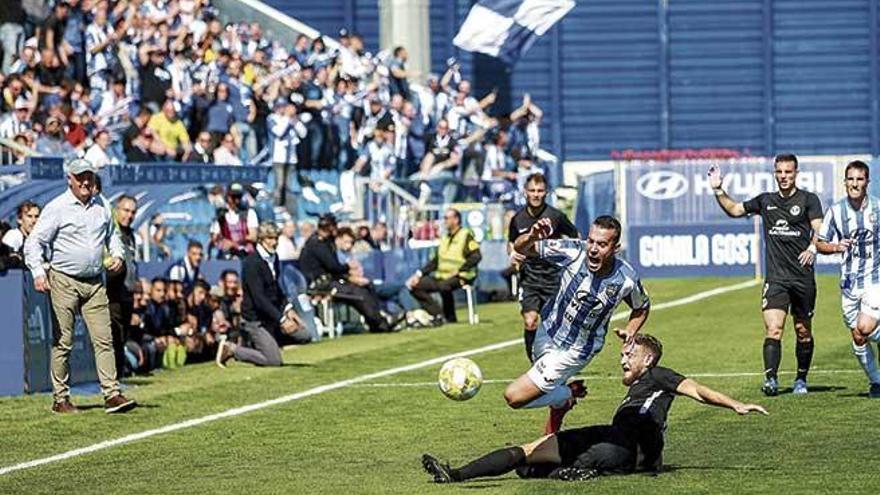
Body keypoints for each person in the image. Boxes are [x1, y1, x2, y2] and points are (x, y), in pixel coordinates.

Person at [422, 334, 768, 483]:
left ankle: (574, 471)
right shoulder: (638, 389)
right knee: (527, 461)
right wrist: (560, 408)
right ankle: (455, 475)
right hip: (613, 439)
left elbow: (698, 391)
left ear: (647, 360)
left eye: (629, 354)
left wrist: (735, 404)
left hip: (629, 447)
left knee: (552, 461)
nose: (622, 358)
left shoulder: (659, 374)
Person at [508, 216, 650, 434]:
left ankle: (567, 395)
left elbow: (641, 307)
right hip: (546, 331)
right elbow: (522, 248)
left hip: (576, 350)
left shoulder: (626, 279)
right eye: (591, 241)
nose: (592, 249)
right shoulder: (574, 250)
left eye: (602, 244)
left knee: (514, 396)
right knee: (543, 391)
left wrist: (631, 331)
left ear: (616, 248)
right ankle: (559, 406)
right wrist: (533, 236)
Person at [23, 158, 136, 414]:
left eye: (89, 176)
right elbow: (34, 243)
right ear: (70, 180)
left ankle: (111, 393)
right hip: (64, 279)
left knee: (104, 339)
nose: (85, 181)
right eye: (80, 177)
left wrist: (117, 255)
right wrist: (39, 272)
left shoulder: (102, 205)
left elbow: (113, 236)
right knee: (63, 341)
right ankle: (60, 398)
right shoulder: (57, 207)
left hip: (95, 282)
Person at [708, 154, 823, 396]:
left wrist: (813, 247)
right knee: (774, 329)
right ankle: (771, 379)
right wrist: (719, 190)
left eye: (788, 172)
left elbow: (820, 228)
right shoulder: (765, 201)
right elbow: (735, 210)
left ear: (796, 173)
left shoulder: (809, 200)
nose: (783, 176)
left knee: (803, 330)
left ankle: (801, 379)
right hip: (776, 279)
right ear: (775, 173)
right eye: (779, 172)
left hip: (802, 279)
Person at [815, 160, 880, 398]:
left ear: (867, 182)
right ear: (845, 183)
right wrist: (835, 247)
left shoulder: (878, 209)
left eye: (860, 179)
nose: (855, 183)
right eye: (851, 179)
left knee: (865, 326)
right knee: (858, 335)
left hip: (875, 280)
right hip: (849, 284)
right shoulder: (835, 211)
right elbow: (819, 243)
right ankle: (876, 382)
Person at [216, 223, 309, 368]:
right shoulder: (252, 263)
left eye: (276, 238)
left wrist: (288, 309)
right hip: (255, 319)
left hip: (271, 316)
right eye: (270, 238)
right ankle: (232, 350)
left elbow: (276, 288)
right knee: (274, 361)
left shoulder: (274, 258)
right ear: (261, 239)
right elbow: (259, 298)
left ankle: (267, 345)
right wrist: (282, 320)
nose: (274, 242)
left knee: (304, 335)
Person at [508, 173, 580, 361]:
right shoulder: (518, 219)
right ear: (525, 192)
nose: (536, 194)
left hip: (554, 278)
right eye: (532, 190)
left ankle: (558, 362)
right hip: (530, 278)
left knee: (554, 325)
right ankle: (534, 365)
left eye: (540, 190)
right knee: (530, 321)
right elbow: (511, 242)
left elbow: (575, 236)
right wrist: (513, 254)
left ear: (546, 192)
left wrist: (570, 257)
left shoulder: (555, 216)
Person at [298, 214, 397, 333]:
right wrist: (349, 267)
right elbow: (333, 266)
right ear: (329, 227)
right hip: (321, 284)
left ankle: (377, 321)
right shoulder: (317, 244)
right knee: (358, 293)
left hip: (330, 280)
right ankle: (379, 323)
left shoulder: (325, 241)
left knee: (366, 286)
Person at [407, 209, 481, 325]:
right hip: (443, 275)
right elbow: (436, 261)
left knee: (444, 286)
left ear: (456, 220)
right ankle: (438, 314)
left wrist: (459, 270)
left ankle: (450, 317)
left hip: (462, 275)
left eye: (447, 218)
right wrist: (419, 274)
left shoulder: (466, 235)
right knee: (415, 286)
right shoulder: (445, 238)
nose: (444, 221)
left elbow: (476, 257)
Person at [107, 195, 139, 378]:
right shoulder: (112, 233)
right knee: (114, 337)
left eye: (133, 212)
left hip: (128, 293)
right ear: (116, 210)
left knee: (122, 337)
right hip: (114, 293)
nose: (130, 215)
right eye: (126, 210)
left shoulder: (130, 235)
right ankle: (114, 378)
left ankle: (119, 376)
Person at [210, 183, 258, 259]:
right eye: (233, 197)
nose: (236, 200)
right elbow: (215, 238)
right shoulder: (222, 215)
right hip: (227, 255)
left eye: (239, 197)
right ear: (227, 197)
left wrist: (233, 243)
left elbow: (253, 236)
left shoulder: (249, 213)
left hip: (245, 255)